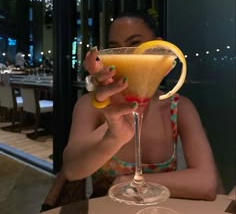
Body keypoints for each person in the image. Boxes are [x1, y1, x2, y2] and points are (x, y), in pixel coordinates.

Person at [62, 11, 221, 201]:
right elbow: (71, 170)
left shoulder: (180, 108)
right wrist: (113, 135)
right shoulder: (92, 105)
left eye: (135, 45)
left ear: (158, 47)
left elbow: (207, 183)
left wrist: (128, 180)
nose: (125, 54)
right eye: (115, 48)